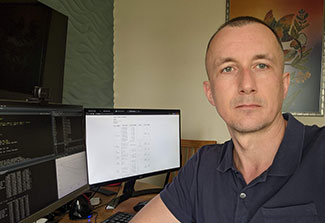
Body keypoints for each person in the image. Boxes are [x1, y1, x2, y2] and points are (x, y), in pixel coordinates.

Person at [131, 16, 325, 223]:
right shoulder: (201, 166)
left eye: (261, 65)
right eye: (228, 68)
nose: (246, 84)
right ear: (210, 93)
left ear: (284, 84)